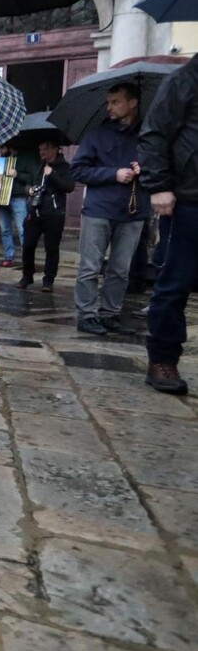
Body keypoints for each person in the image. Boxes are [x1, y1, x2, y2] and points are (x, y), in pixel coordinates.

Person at [138, 56, 198, 396]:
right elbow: (154, 135)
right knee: (174, 284)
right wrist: (159, 186)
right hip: (188, 200)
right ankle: (162, 359)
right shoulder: (182, 81)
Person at [71, 83, 148, 336]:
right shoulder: (96, 134)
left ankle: (110, 314)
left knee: (121, 269)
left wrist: (145, 169)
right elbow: (78, 170)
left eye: (116, 102)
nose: (110, 107)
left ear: (132, 103)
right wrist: (113, 173)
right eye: (108, 102)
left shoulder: (149, 134)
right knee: (90, 266)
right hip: (99, 209)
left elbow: (164, 167)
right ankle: (87, 315)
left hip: (133, 211)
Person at [18, 139, 74, 292]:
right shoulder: (38, 165)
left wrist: (53, 174)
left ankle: (48, 280)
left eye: (46, 149)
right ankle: (27, 275)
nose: (42, 152)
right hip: (35, 212)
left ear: (55, 149)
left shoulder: (64, 167)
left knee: (51, 248)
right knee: (28, 245)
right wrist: (29, 189)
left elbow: (69, 187)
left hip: (54, 213)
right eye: (40, 148)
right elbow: (28, 183)